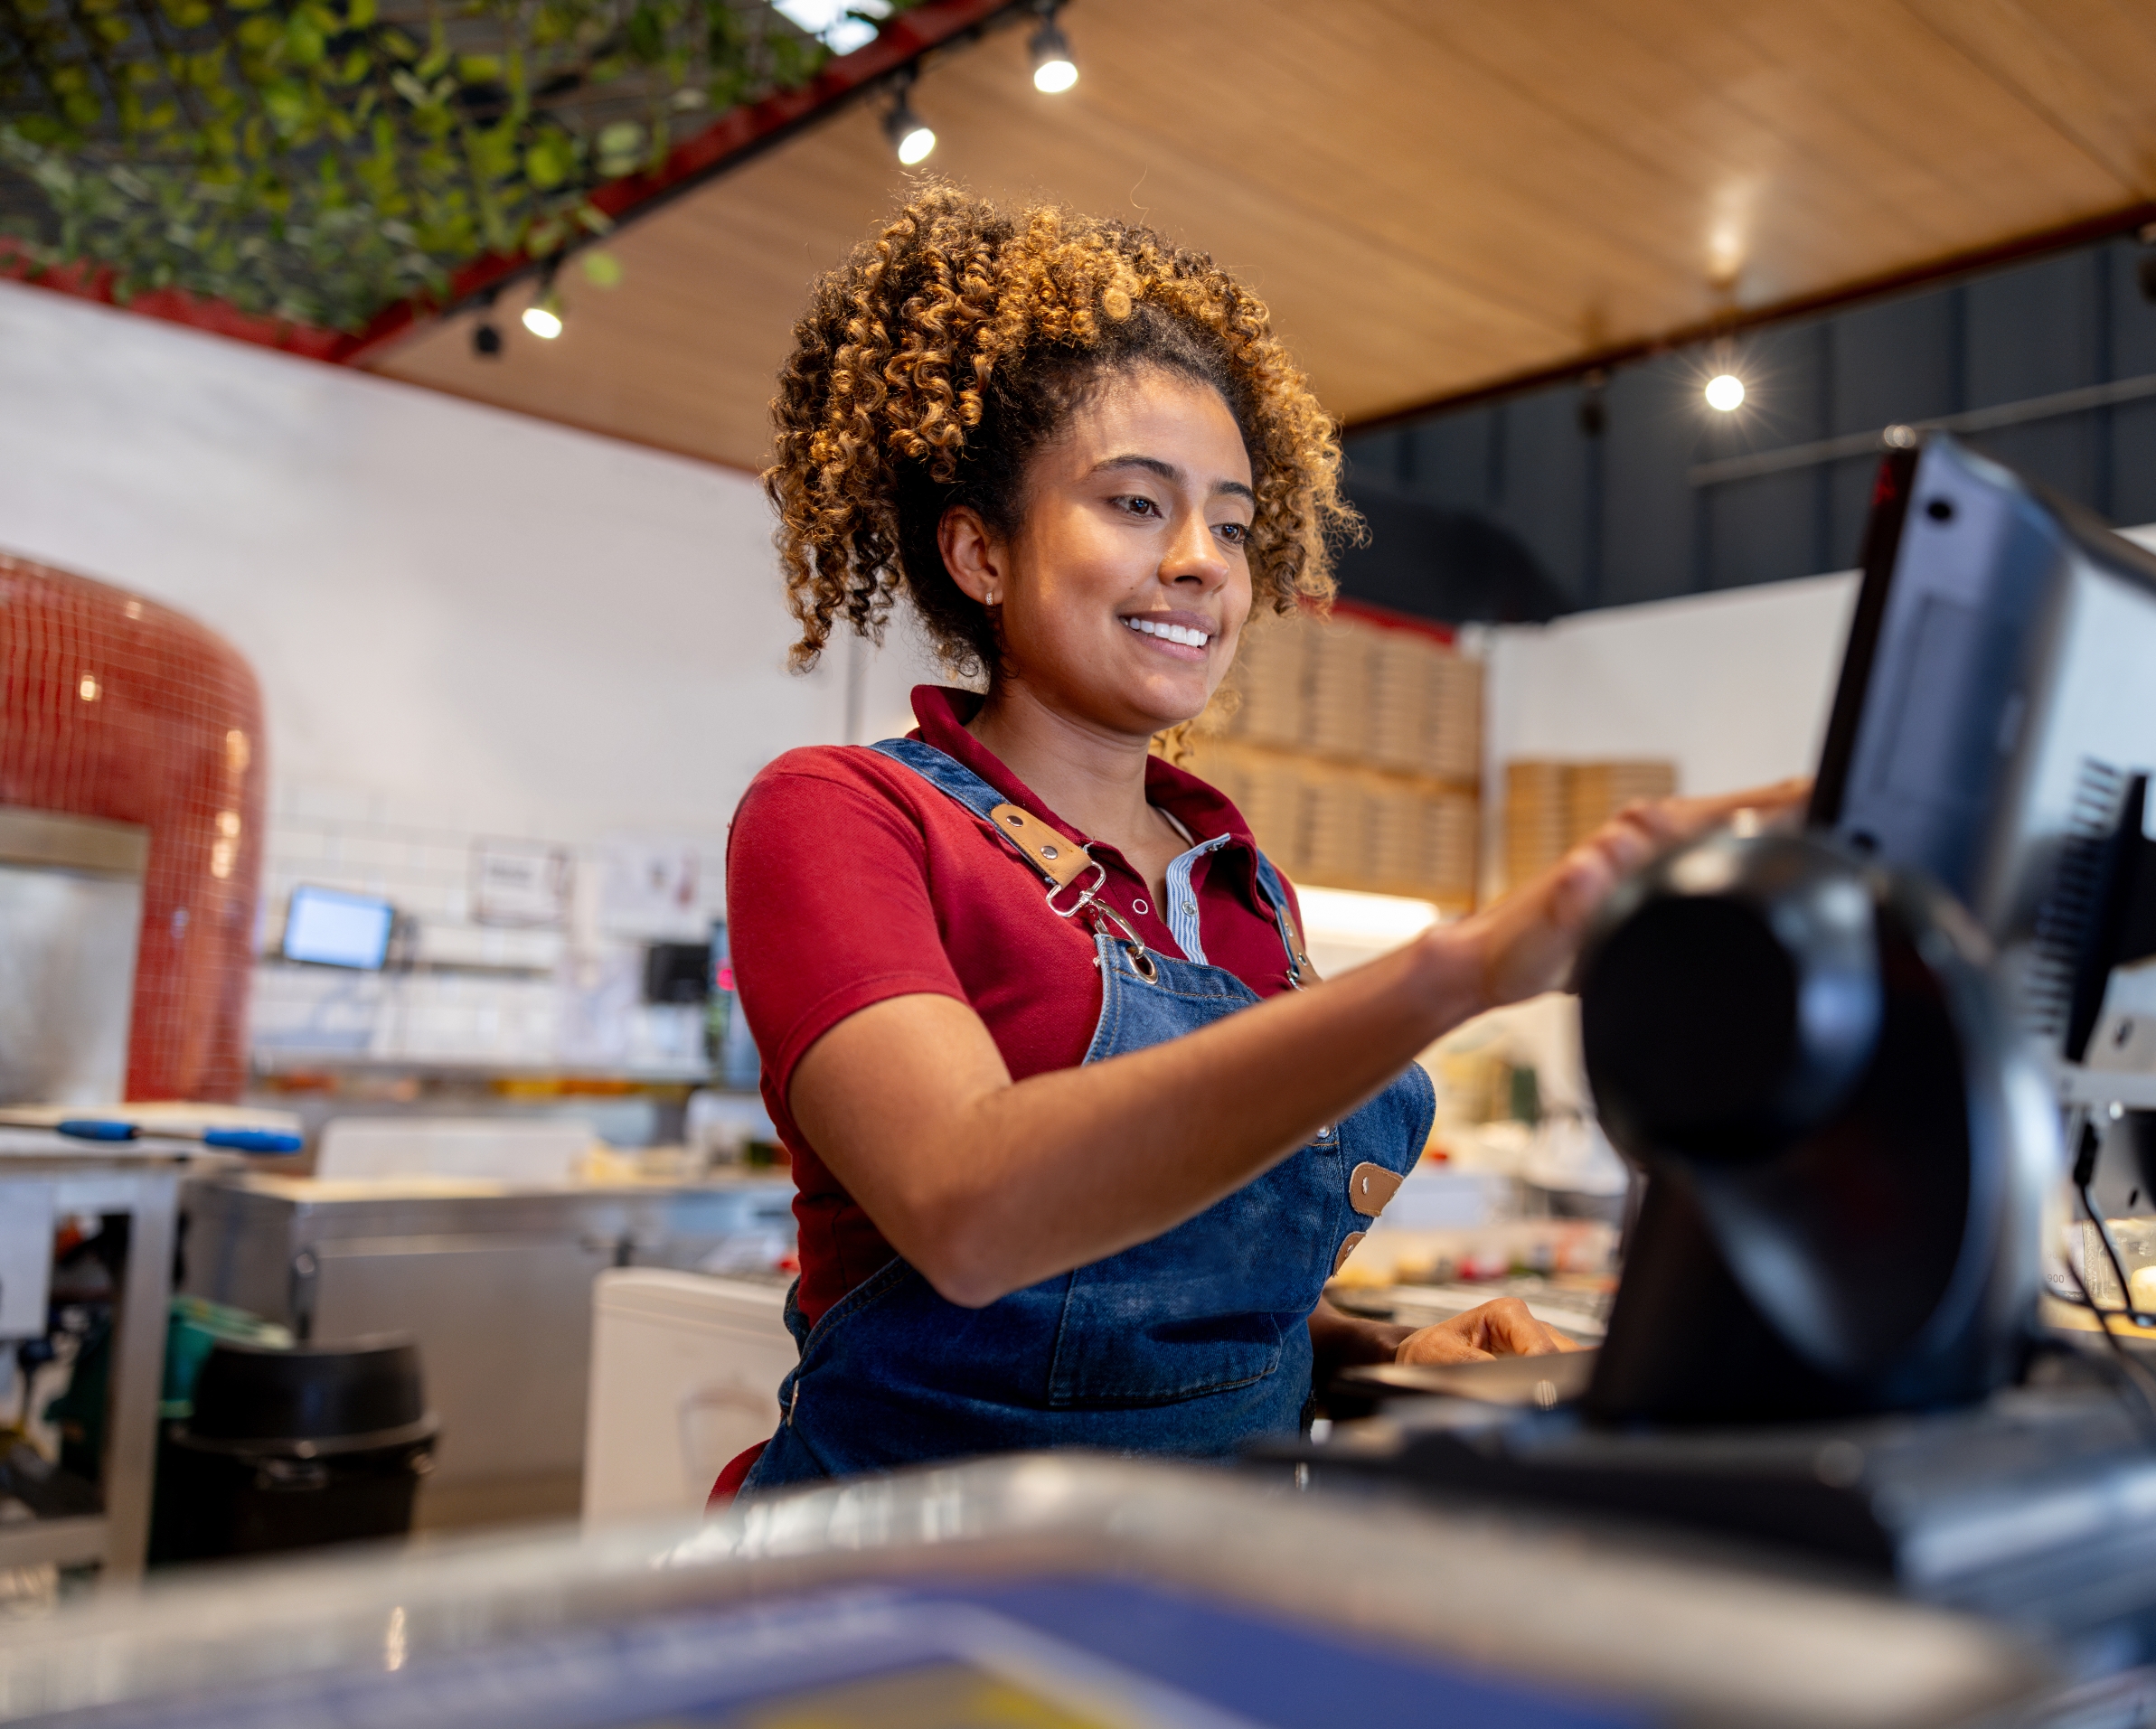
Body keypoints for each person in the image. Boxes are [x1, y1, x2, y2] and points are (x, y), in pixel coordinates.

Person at [727, 186, 1802, 1487]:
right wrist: (1458, 971)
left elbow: (1184, 1304)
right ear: (980, 552)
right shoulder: (847, 814)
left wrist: (1382, 1356)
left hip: (1202, 1571)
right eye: (1135, 504)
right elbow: (971, 1211)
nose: (1202, 562)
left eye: (1232, 524)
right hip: (905, 1590)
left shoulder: (1242, 889)